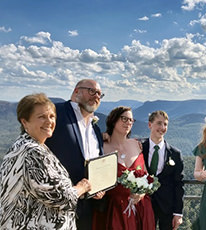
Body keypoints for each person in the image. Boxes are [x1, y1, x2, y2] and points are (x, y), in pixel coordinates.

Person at [0, 93, 92, 229]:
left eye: (51, 116)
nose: (49, 122)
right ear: (25, 122)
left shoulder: (26, 145)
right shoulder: (32, 151)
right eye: (41, 117)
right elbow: (60, 197)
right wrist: (82, 188)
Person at [45, 79, 105, 229]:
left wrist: (99, 187)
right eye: (92, 91)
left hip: (85, 206)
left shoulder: (95, 130)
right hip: (56, 204)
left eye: (99, 94)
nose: (96, 96)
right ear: (76, 91)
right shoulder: (56, 112)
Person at [92, 106, 155, 229]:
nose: (128, 123)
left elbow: (147, 176)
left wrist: (141, 193)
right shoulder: (102, 146)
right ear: (114, 120)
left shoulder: (136, 144)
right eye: (124, 119)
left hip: (141, 207)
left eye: (131, 120)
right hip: (115, 210)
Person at [142, 110, 184, 230]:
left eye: (165, 124)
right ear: (150, 125)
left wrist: (178, 213)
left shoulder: (175, 154)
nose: (162, 127)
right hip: (144, 204)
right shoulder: (139, 148)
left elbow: (178, 184)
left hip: (167, 207)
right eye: (159, 123)